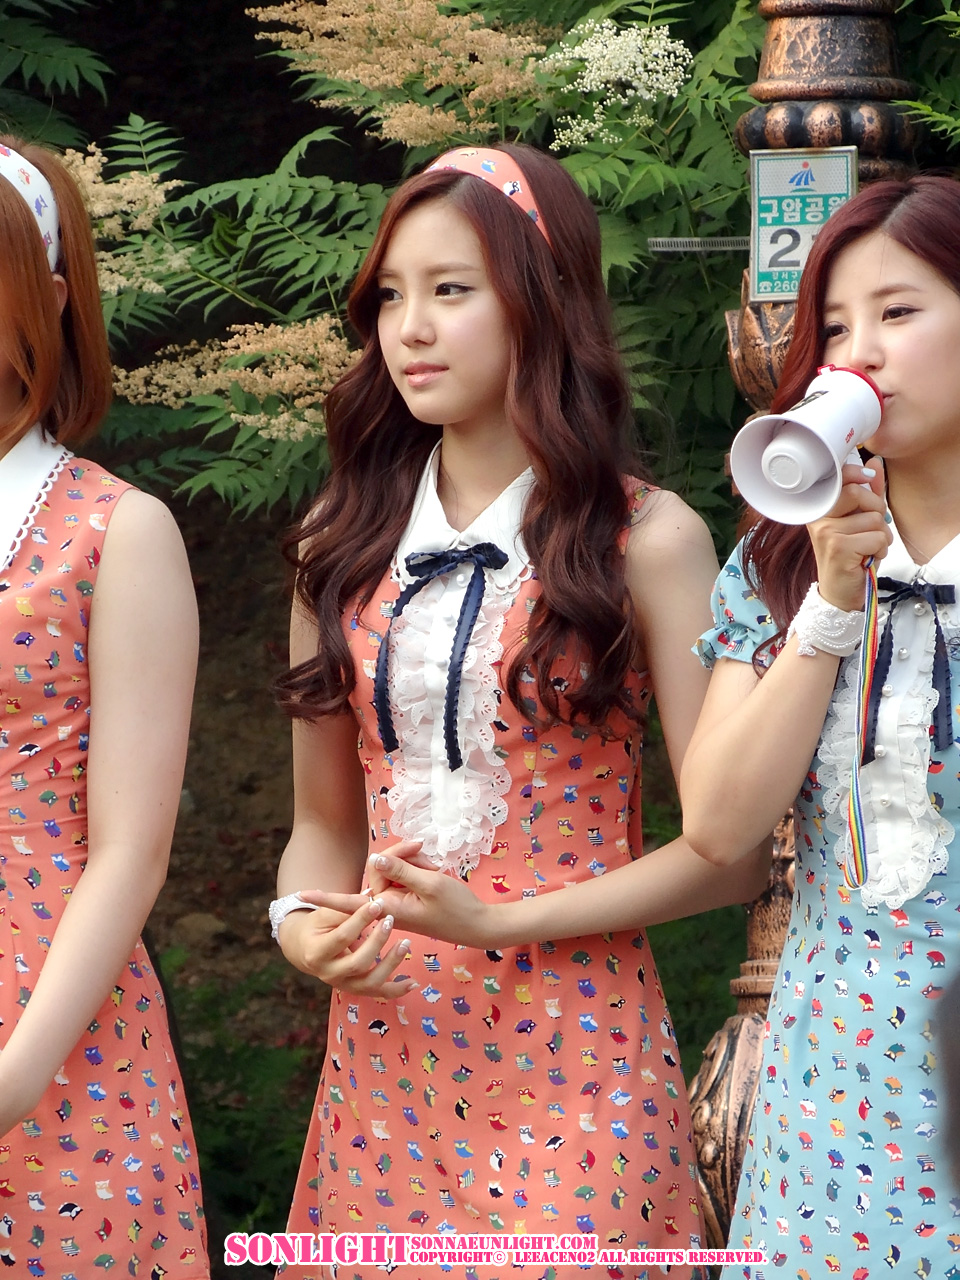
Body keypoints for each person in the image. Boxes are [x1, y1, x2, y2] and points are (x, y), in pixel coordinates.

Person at [271, 142, 767, 1279]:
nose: (410, 329)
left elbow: (730, 856)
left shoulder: (647, 539)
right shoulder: (334, 549)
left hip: (581, 1052)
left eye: (451, 290)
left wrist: (498, 922)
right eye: (390, 297)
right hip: (387, 1062)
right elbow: (322, 826)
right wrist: (298, 925)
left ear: (541, 302)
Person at [681, 174, 960, 1277]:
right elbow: (719, 825)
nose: (862, 355)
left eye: (899, 311)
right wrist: (834, 604)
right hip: (836, 1099)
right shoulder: (777, 564)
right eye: (834, 329)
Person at [0, 137, 208, 1274]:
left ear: (46, 297)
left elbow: (132, 849)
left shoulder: (115, 531)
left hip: (53, 1025)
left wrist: (16, 1076)